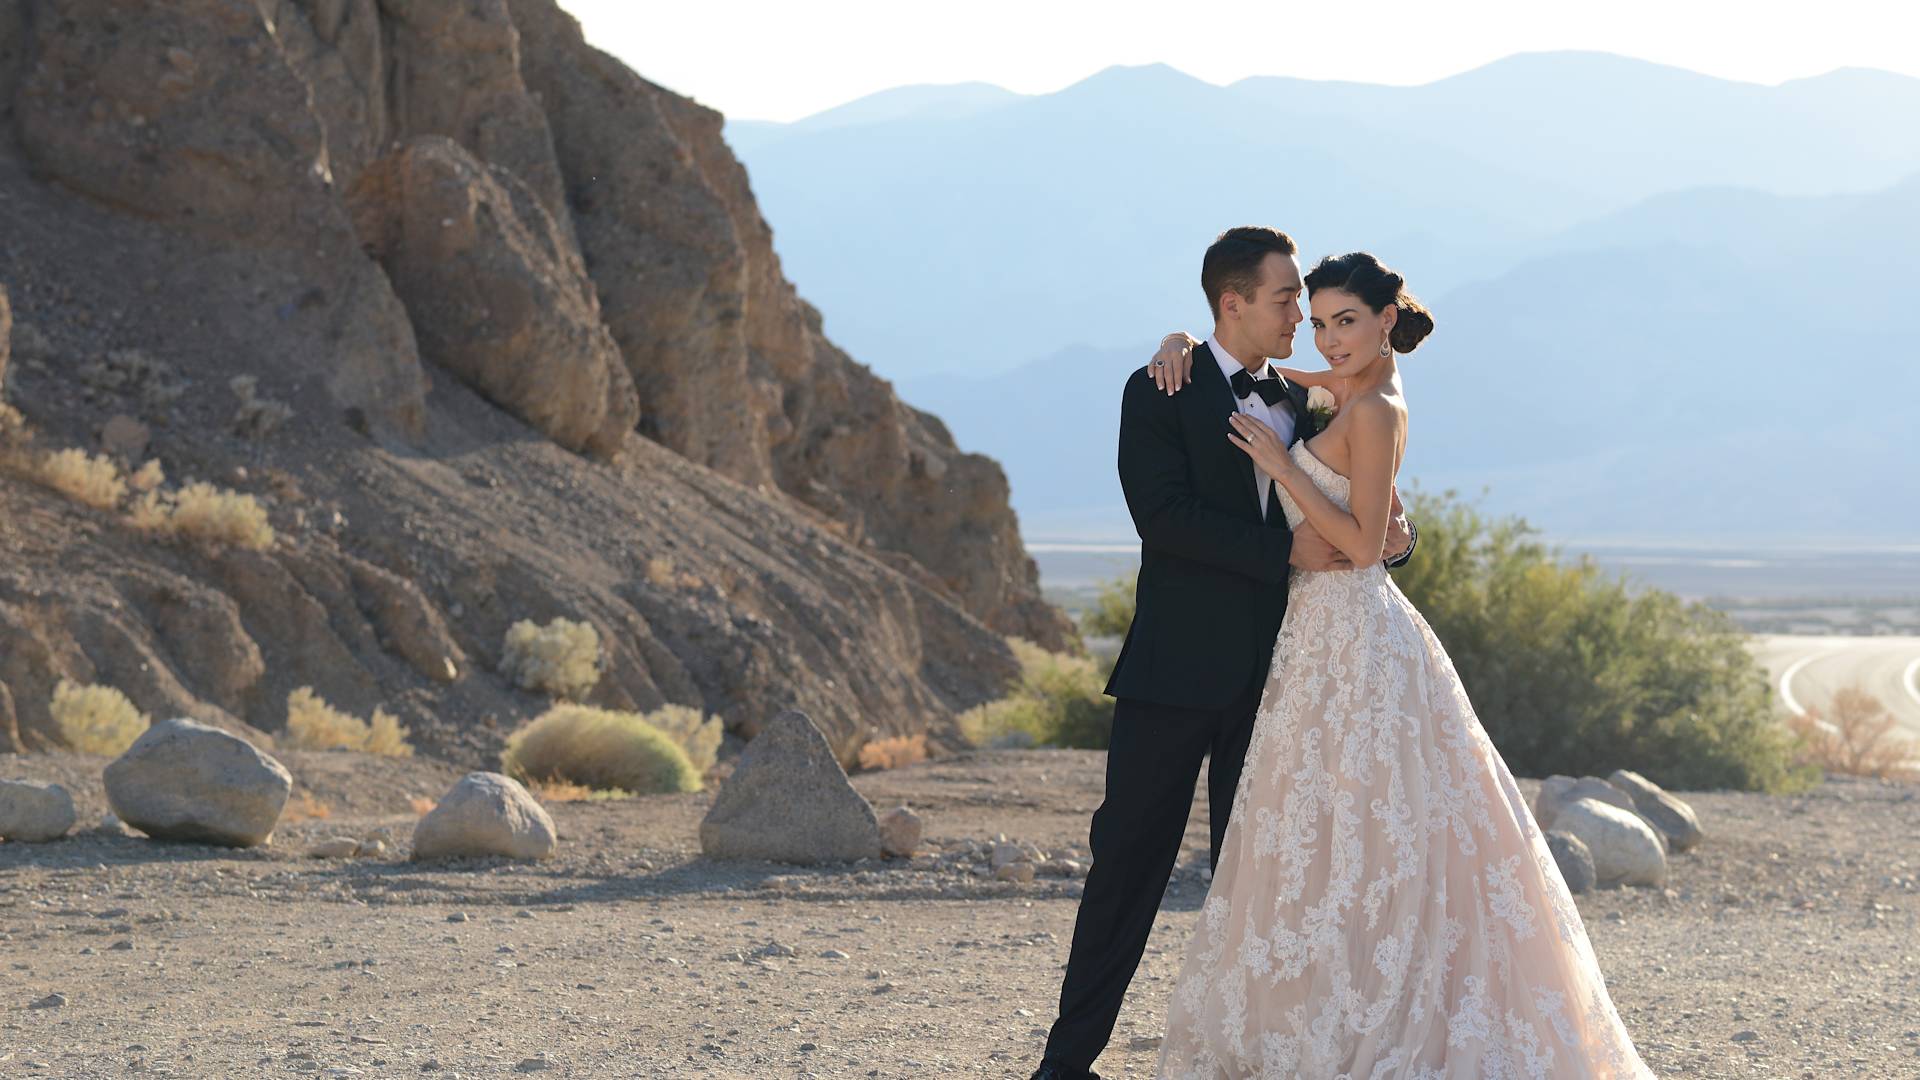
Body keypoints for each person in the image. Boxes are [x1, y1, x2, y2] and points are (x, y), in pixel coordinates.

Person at [1152, 251, 1657, 1077]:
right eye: (1317, 321)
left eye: (1345, 320)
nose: (1328, 338)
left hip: (1359, 637)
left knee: (1381, 835)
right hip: (1311, 641)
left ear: (1388, 318)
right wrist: (1178, 335)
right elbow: (1252, 358)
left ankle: (1389, 1016)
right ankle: (1318, 1011)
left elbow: (1361, 548)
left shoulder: (1380, 408)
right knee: (1320, 835)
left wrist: (1283, 469)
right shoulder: (1336, 385)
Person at [1030, 227, 1416, 1080]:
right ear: (1231, 303)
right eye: (1287, 302)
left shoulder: (1312, 397)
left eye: (1311, 308)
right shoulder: (1158, 388)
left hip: (1286, 681)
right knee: (1127, 864)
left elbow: (1363, 492)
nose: (1304, 321)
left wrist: (1395, 538)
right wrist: (1281, 554)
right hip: (1173, 676)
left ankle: (1279, 1056)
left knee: (1277, 878)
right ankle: (1066, 1065)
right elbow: (1163, 519)